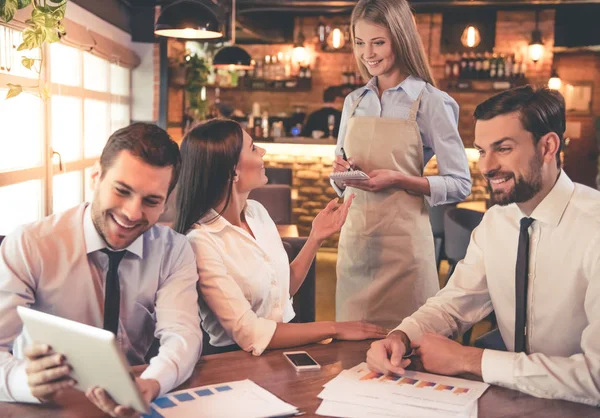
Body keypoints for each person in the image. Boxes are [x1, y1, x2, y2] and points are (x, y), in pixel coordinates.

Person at [366, 86, 600, 406]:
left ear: (547, 146)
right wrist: (401, 336)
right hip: (512, 400)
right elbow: (453, 305)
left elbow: (596, 378)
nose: (486, 167)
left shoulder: (594, 229)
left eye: (502, 149)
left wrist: (469, 360)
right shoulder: (496, 222)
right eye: (480, 151)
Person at [0, 123, 203, 416]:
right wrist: (24, 380)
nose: (133, 213)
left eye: (151, 201)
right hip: (48, 405)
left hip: (133, 400)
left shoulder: (173, 251)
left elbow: (183, 335)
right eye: (122, 191)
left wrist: (153, 382)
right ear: (95, 177)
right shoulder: (31, 244)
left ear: (165, 203)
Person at [174, 119, 387, 356]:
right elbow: (251, 333)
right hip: (235, 359)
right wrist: (334, 328)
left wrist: (316, 237)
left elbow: (282, 292)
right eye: (254, 148)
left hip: (283, 346)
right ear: (232, 171)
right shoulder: (201, 242)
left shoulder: (257, 212)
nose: (263, 151)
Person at [331, 0, 472, 328]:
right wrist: (341, 174)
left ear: (401, 39)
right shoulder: (354, 102)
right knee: (351, 353)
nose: (368, 54)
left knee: (408, 352)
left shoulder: (431, 102)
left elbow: (460, 183)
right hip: (356, 245)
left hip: (405, 251)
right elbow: (339, 181)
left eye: (378, 42)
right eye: (360, 43)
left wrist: (400, 179)